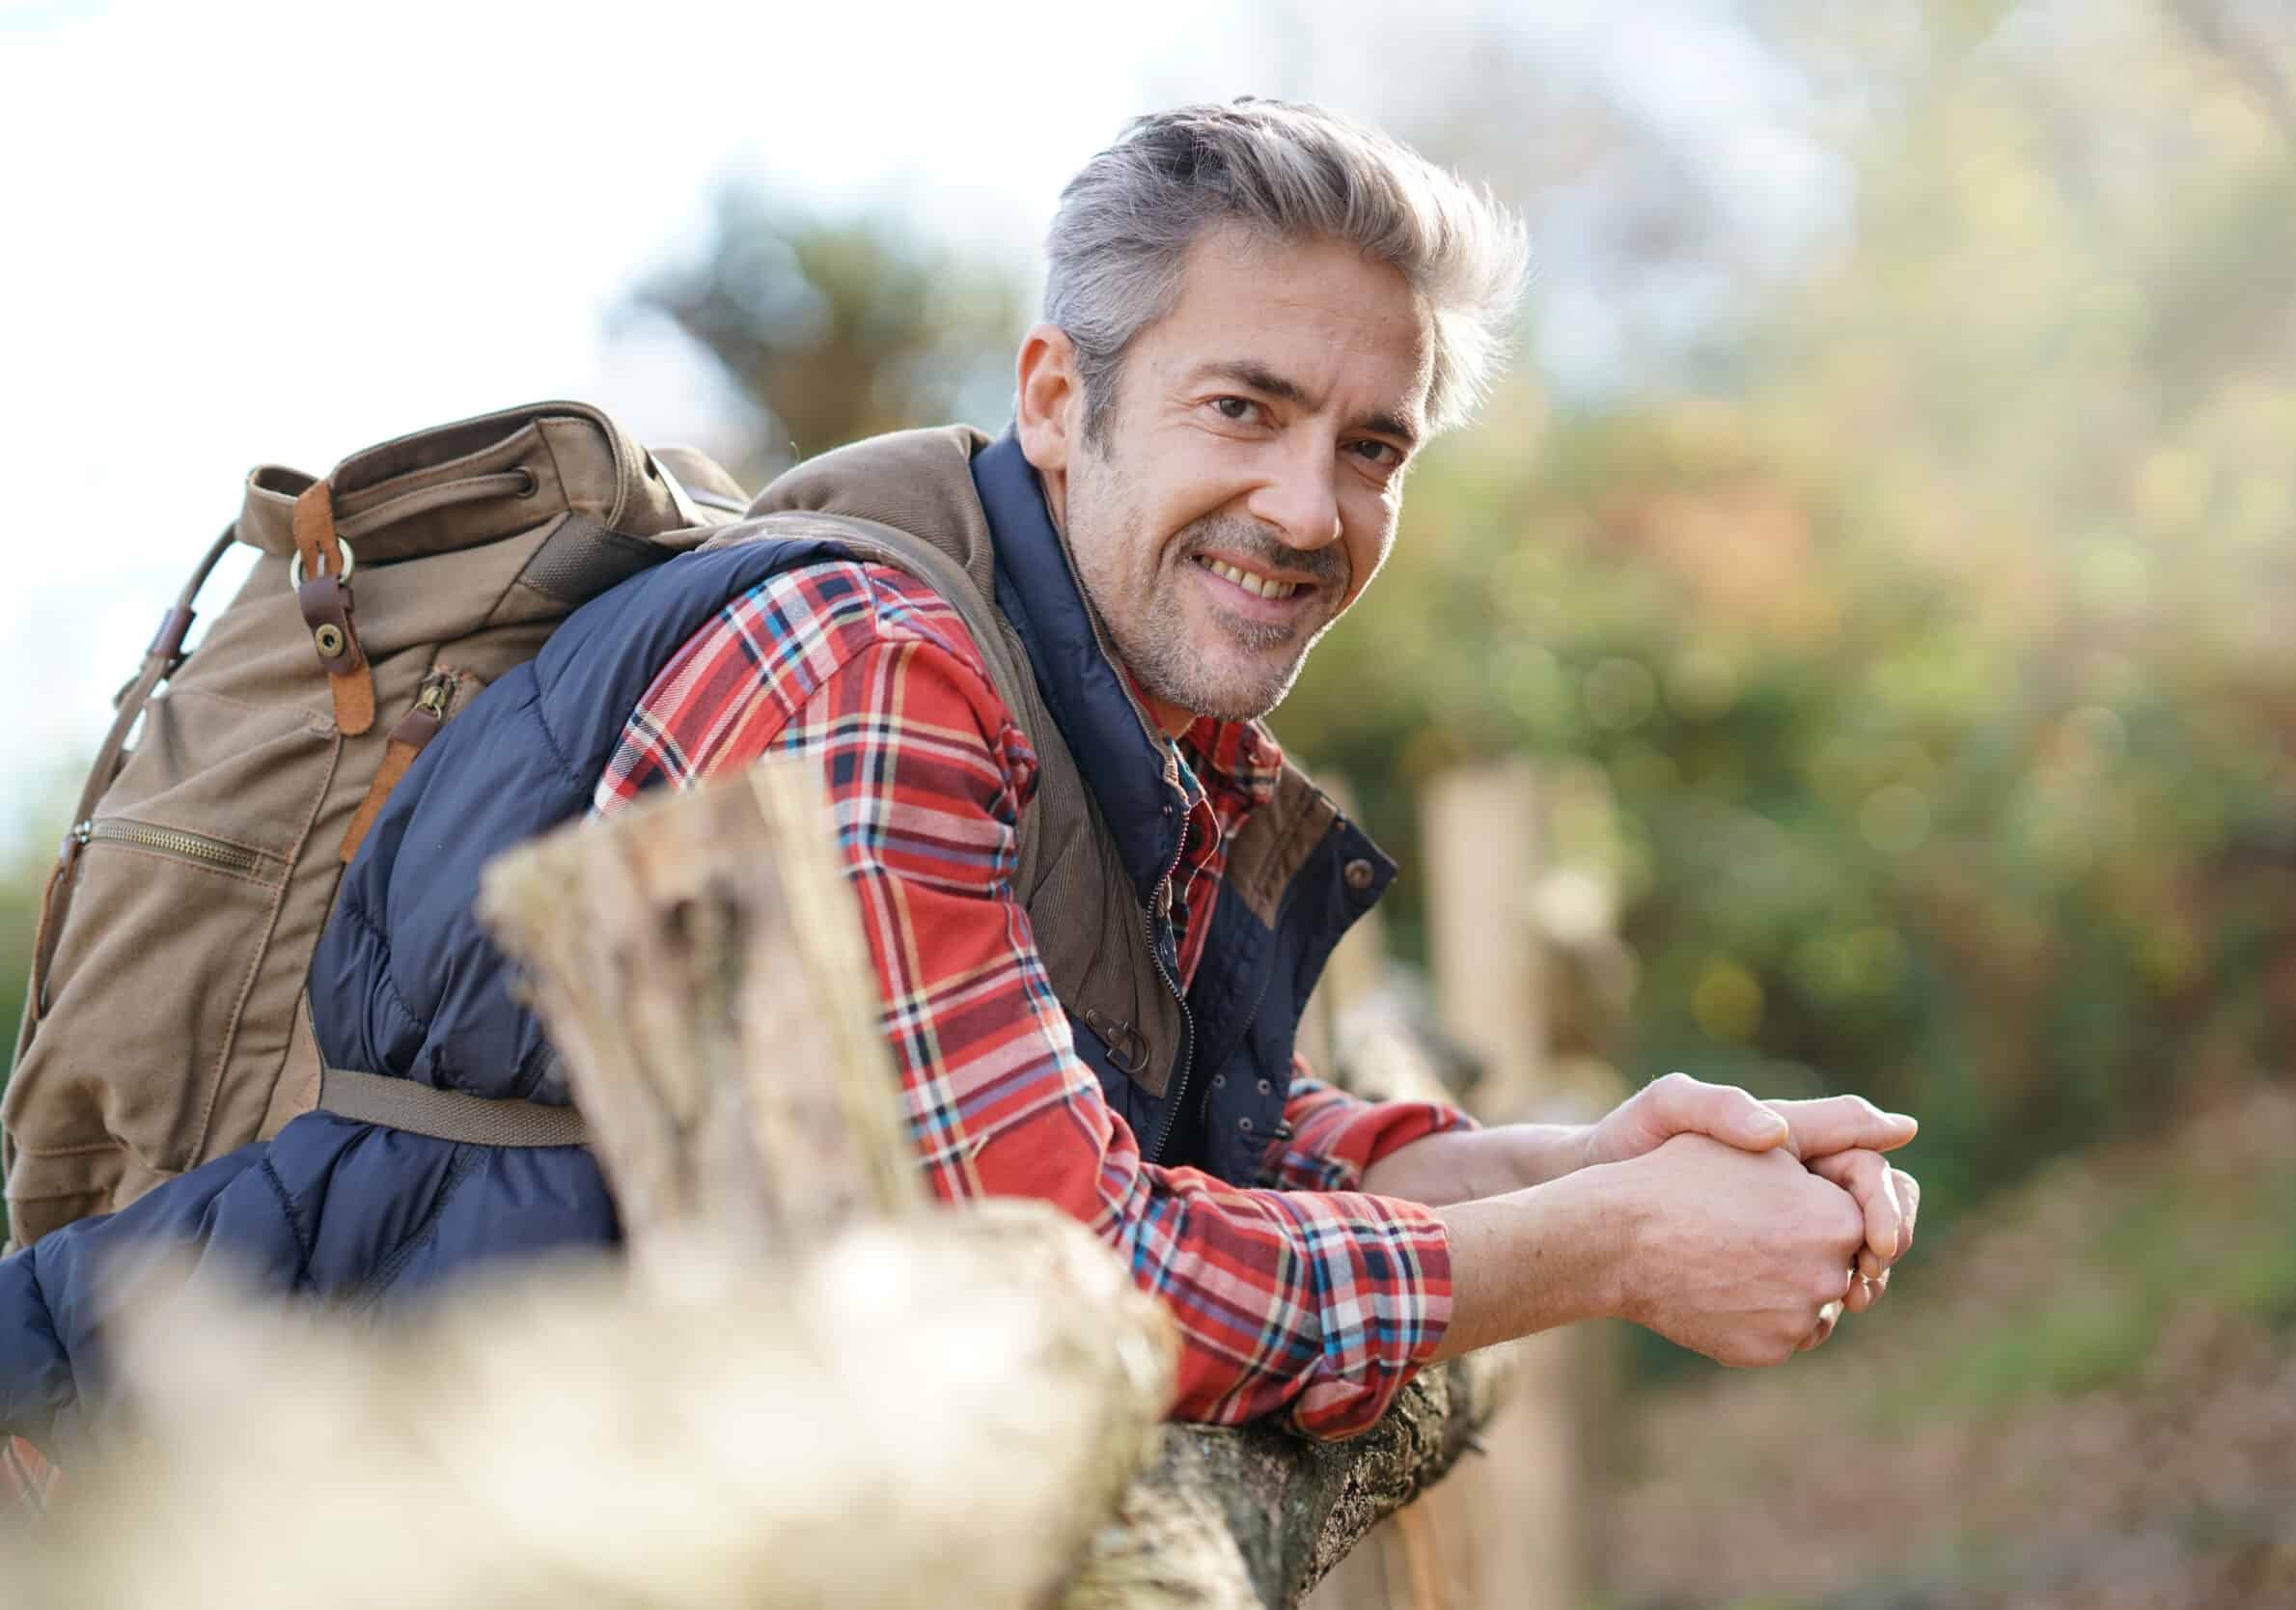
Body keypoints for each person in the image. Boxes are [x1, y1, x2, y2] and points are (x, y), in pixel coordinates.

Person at [0, 99, 1917, 1453]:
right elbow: (1054, 1274)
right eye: (1241, 408)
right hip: (196, 1478)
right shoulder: (873, 670)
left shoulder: (1121, 722)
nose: (1306, 506)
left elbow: (1152, 1135)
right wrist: (1609, 1247)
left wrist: (1585, 1157)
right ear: (1058, 398)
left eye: (1372, 446)